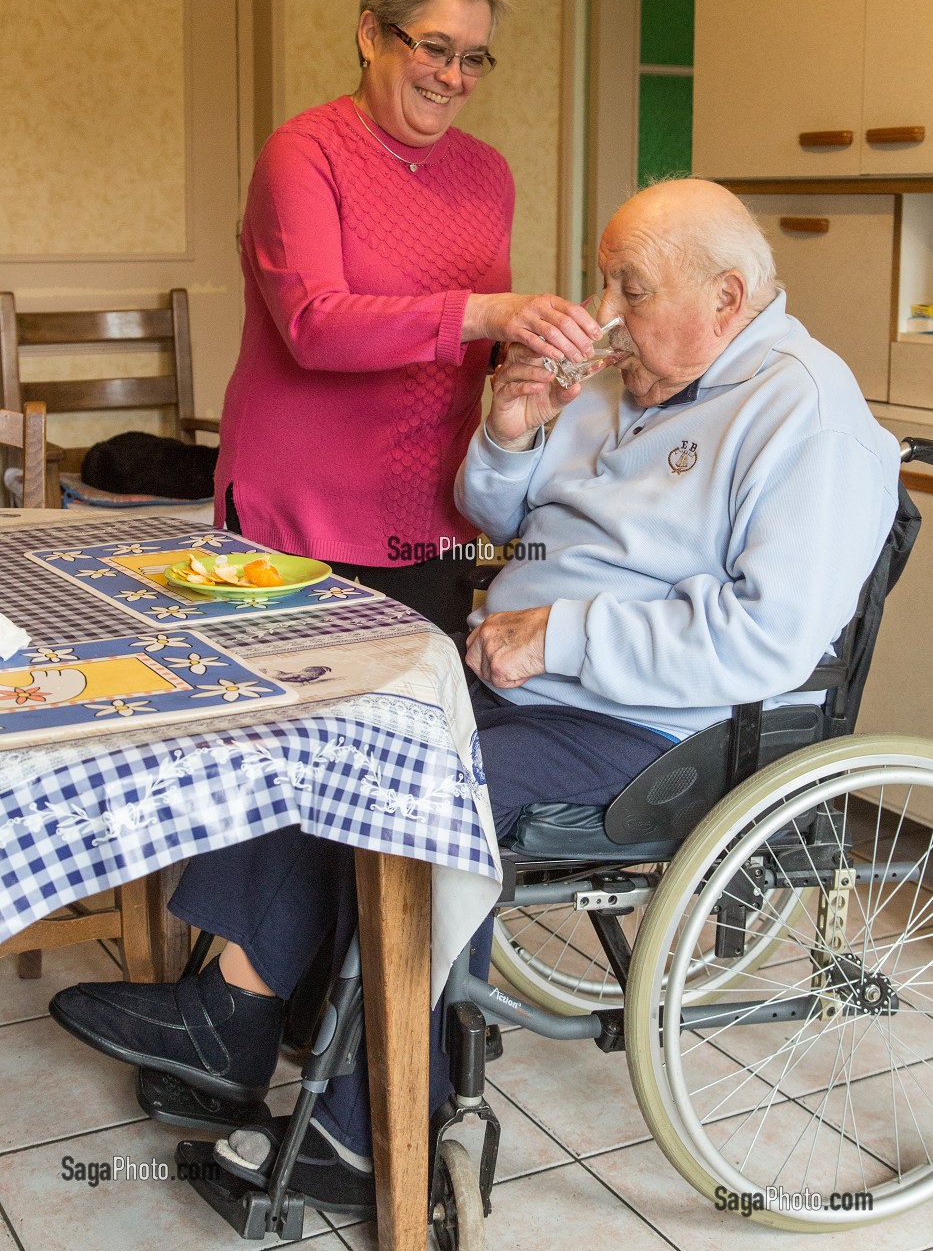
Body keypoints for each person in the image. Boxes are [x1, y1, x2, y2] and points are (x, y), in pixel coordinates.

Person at [50, 179, 901, 1215]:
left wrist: (559, 634)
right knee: (334, 716)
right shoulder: (625, 373)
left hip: (658, 720)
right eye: (606, 278)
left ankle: (368, 1135)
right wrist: (507, 429)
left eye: (629, 285)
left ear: (726, 299)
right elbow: (497, 513)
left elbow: (762, 636)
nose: (606, 307)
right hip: (521, 667)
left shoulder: (805, 412)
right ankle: (226, 1012)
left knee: (419, 788)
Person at [214, 0, 600, 633]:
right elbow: (314, 326)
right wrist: (486, 315)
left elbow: (468, 343)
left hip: (431, 517)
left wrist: (535, 348)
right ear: (371, 34)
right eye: (434, 48)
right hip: (300, 517)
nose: (453, 78)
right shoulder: (303, 155)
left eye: (474, 58)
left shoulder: (488, 175)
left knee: (414, 724)